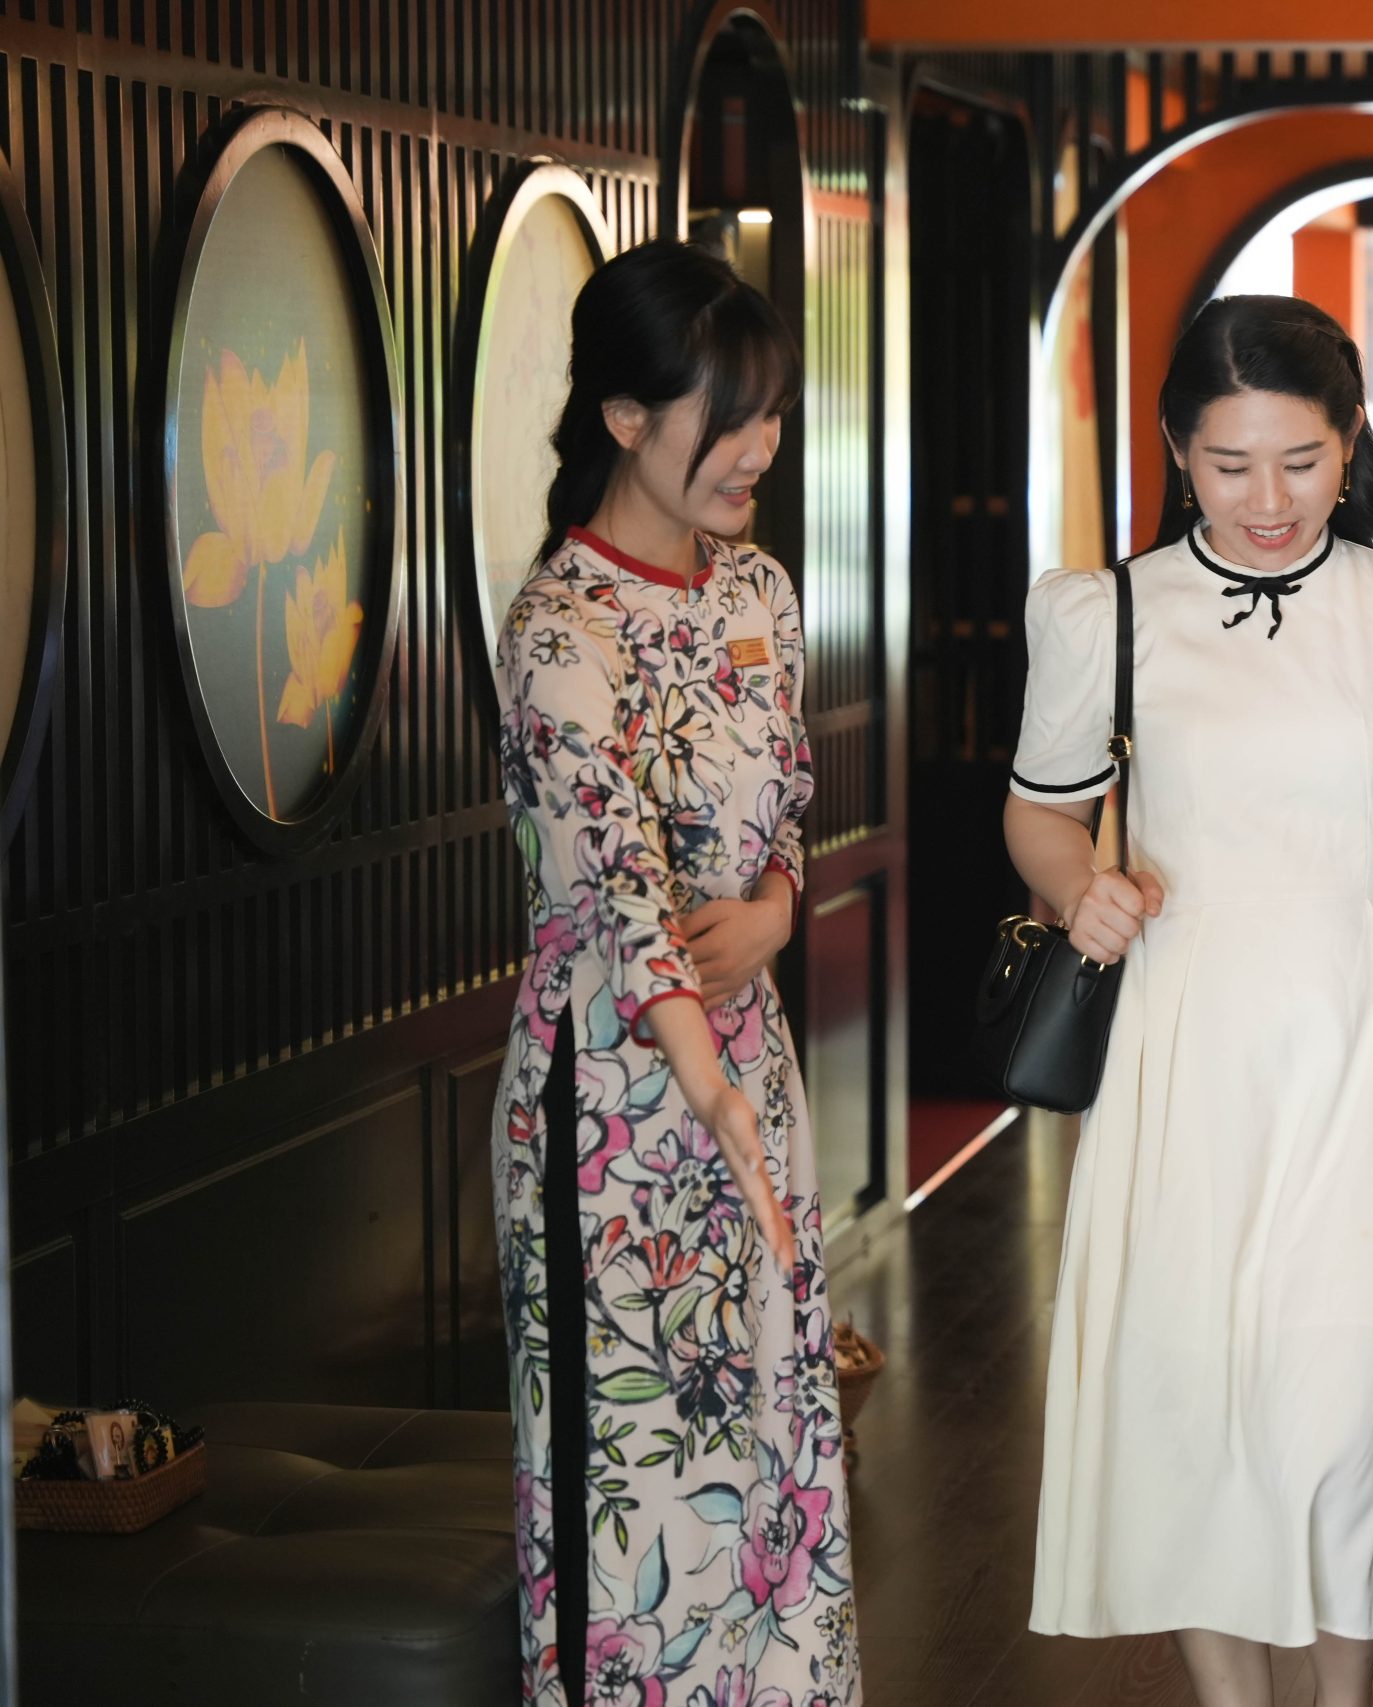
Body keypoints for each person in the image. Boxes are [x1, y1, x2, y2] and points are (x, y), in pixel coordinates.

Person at [1005, 294, 1373, 1707]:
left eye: (1302, 461)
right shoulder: (1106, 611)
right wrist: (1080, 887)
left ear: (1351, 439)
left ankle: (1344, 1694)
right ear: (1176, 450)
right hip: (1184, 1040)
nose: (1268, 500)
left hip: (1356, 1032)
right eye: (1229, 464)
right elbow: (1043, 812)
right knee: (1199, 1387)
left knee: (1345, 1386)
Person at [492, 239, 860, 1707]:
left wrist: (777, 905)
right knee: (634, 1483)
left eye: (773, 414)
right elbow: (620, 892)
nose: (761, 447)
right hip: (613, 1111)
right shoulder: (558, 628)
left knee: (772, 1454)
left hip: (748, 1074)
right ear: (626, 418)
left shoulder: (759, 589)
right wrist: (710, 1100)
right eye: (731, 416)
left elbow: (787, 795)